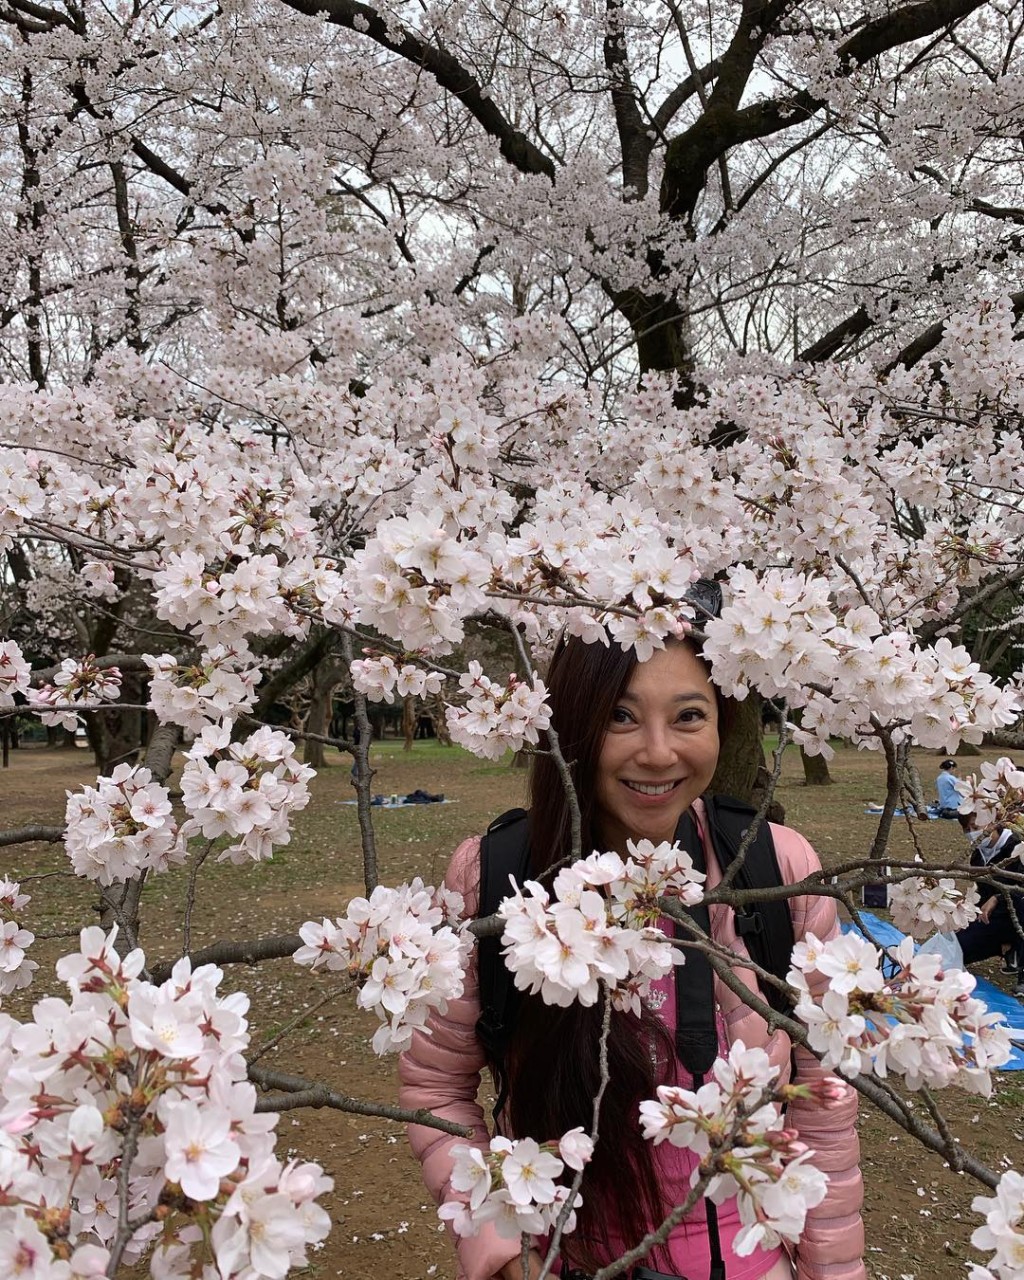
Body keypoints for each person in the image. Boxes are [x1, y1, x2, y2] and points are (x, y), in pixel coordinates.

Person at [399, 632, 866, 1280]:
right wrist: (506, 1248)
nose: (657, 751)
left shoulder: (777, 870)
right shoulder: (497, 879)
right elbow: (434, 1087)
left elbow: (823, 1096)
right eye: (620, 714)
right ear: (573, 722)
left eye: (688, 715)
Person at [956, 814, 1024, 994]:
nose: (972, 833)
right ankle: (1008, 947)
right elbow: (981, 893)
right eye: (967, 829)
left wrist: (998, 898)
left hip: (1019, 912)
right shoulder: (978, 855)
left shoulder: (1016, 846)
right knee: (958, 948)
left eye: (975, 826)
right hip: (995, 919)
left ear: (993, 822)